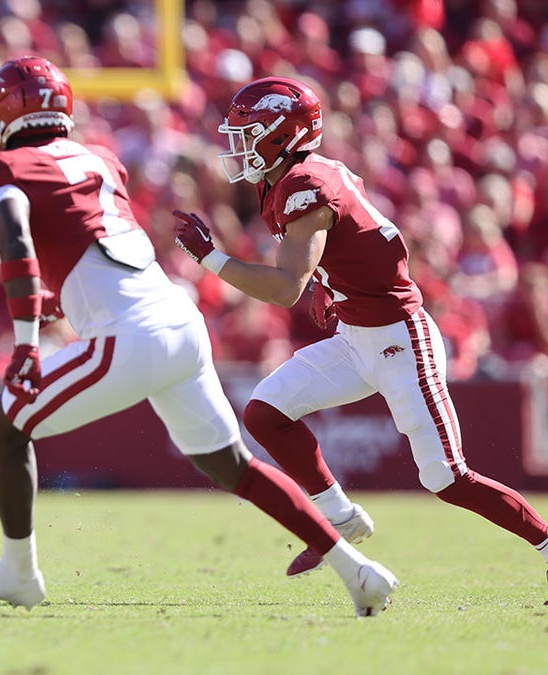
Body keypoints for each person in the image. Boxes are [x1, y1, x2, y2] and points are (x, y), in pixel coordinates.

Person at [0, 56, 399, 617]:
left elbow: (15, 240)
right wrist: (61, 297)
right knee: (231, 465)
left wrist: (26, 341)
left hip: (128, 336)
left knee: (1, 427)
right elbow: (92, 243)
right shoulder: (102, 160)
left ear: (2, 114)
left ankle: (17, 571)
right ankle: (358, 571)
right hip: (179, 321)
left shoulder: (1, 165)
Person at [172, 76, 548, 580]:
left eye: (250, 131)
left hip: (400, 340)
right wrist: (335, 286)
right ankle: (340, 518)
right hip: (357, 334)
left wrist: (210, 257)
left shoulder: (306, 185)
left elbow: (285, 288)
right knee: (265, 413)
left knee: (447, 478)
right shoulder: (307, 173)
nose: (238, 145)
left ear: (282, 134)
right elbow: (371, 239)